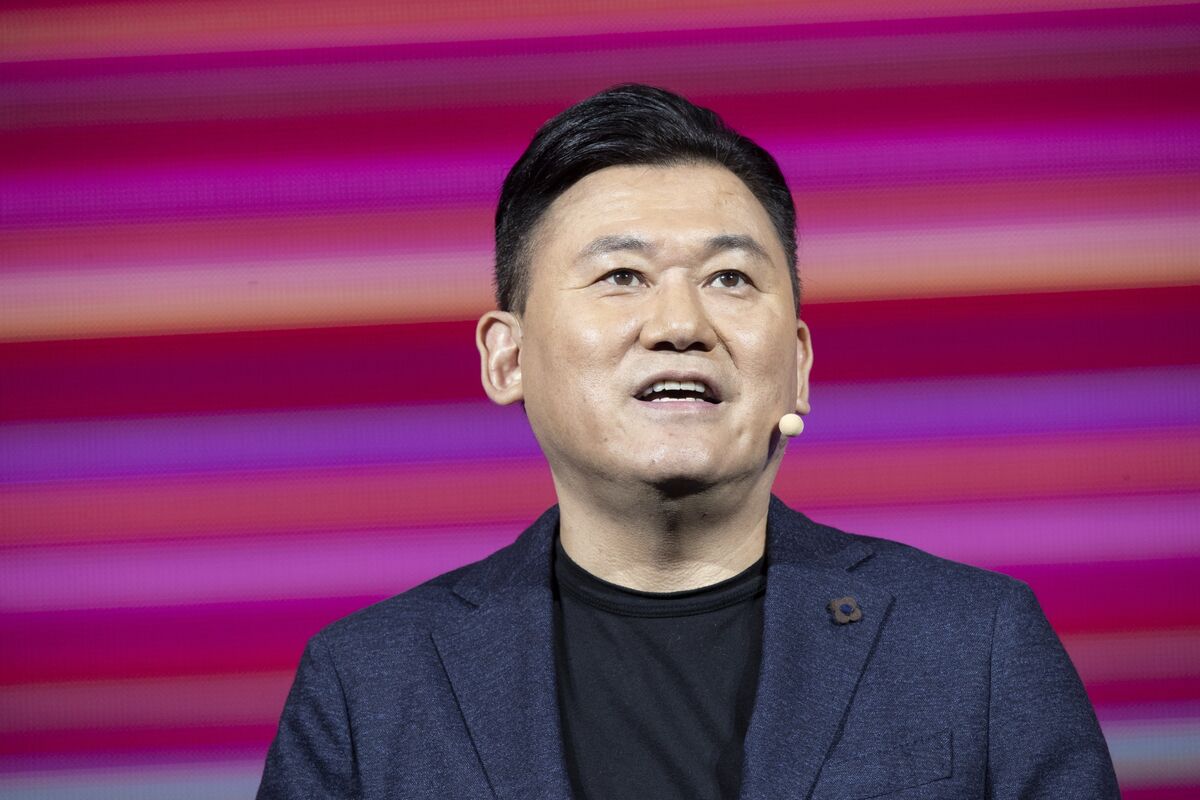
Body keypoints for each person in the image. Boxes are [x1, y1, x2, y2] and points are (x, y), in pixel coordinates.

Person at [258, 84, 1119, 800]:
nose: (681, 324)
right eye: (622, 276)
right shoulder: (367, 685)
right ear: (507, 358)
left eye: (729, 278)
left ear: (798, 366)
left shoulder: (975, 646)